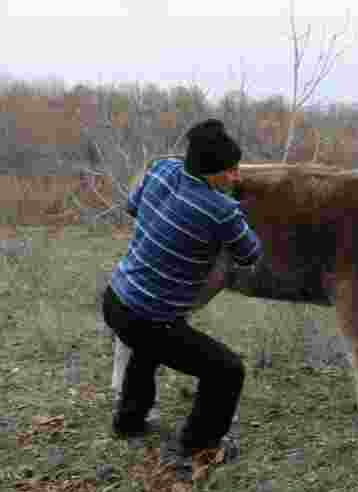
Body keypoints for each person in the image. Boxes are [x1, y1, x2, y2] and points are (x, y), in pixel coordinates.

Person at [102, 118, 262, 462]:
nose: (237, 177)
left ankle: (129, 421)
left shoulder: (161, 169)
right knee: (226, 370)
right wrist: (230, 215)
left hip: (116, 297)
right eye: (231, 171)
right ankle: (199, 445)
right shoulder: (221, 210)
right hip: (148, 317)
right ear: (211, 173)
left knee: (147, 347)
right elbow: (250, 254)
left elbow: (133, 208)